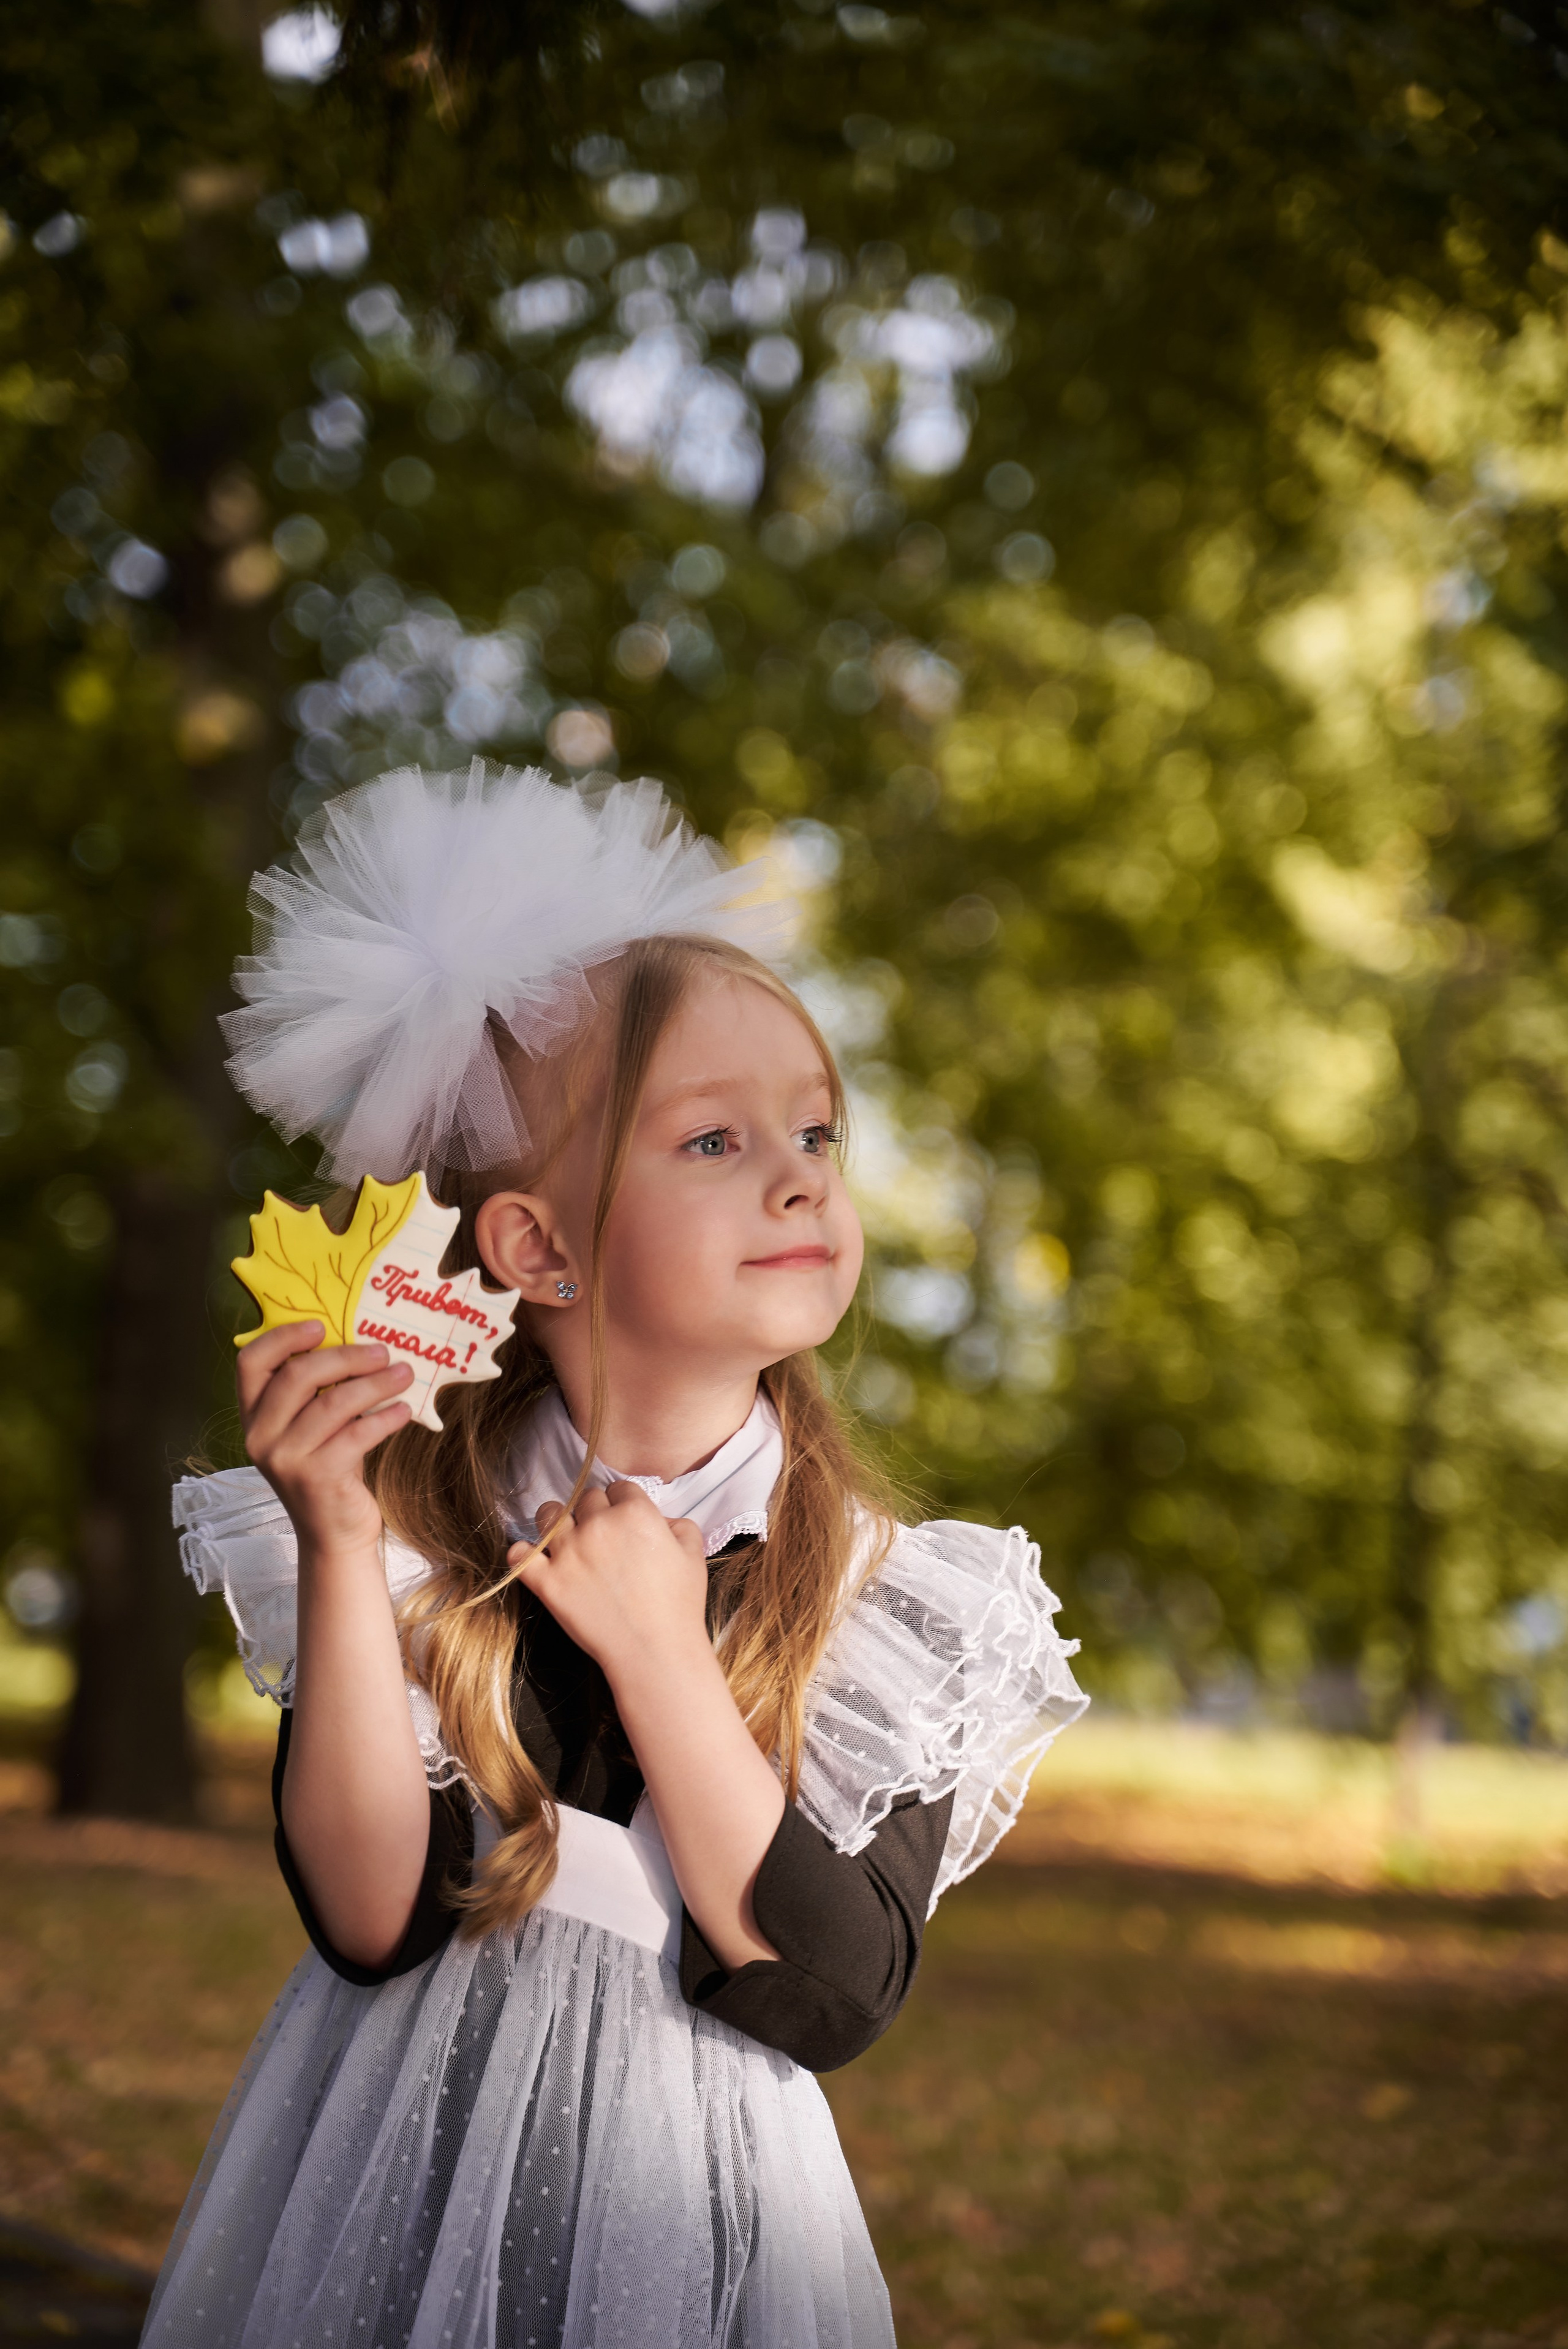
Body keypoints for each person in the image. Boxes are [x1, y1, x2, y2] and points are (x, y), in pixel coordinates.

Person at [144, 763, 1087, 2349]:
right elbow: (375, 1918)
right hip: (393, 2158)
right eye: (713, 1141)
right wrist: (338, 1532)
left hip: (696, 2221)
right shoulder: (425, 1528)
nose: (802, 1174)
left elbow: (832, 1991)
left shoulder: (890, 1596)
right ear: (537, 1247)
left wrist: (660, 1652)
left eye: (814, 1130)